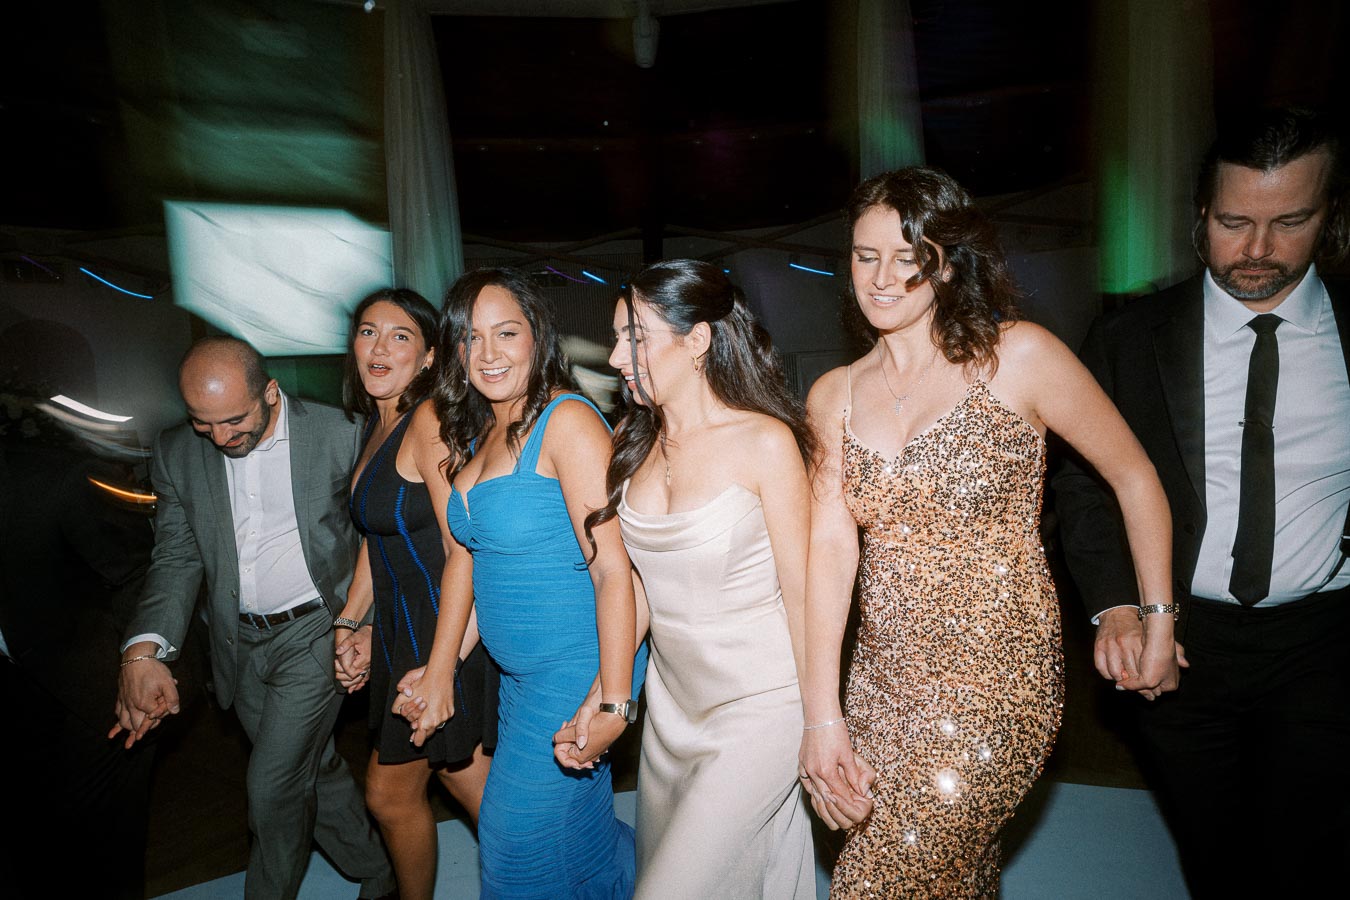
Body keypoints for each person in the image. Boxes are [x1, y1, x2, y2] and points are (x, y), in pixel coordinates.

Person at [797, 166, 1177, 897]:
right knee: (957, 879)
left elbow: (1135, 477)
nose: (881, 279)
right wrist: (822, 718)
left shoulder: (1021, 357)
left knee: (874, 881)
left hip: (1000, 683)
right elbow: (830, 553)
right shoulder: (833, 394)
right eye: (864, 255)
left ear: (947, 262)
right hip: (881, 686)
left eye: (908, 260)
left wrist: (1157, 617)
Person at [1053, 107, 1350, 898]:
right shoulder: (1129, 338)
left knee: (1308, 854)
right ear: (1199, 219)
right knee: (1217, 859)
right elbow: (1080, 484)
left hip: (1322, 644)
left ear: (1330, 216)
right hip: (1177, 638)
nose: (1257, 250)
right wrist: (1117, 607)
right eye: (1233, 222)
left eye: (1290, 221)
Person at [111, 336, 395, 900]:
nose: (219, 437)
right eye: (202, 422)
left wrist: (364, 620)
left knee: (272, 787)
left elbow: (380, 538)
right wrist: (144, 648)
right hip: (236, 640)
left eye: (234, 420)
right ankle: (379, 871)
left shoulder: (342, 432)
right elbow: (176, 557)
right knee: (315, 765)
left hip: (318, 629)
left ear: (270, 391)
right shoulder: (176, 452)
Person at [394, 268, 644, 898]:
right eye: (471, 339)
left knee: (513, 848)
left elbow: (615, 569)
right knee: (577, 844)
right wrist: (440, 668)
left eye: (506, 333)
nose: (488, 353)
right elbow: (481, 571)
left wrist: (613, 701)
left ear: (538, 336)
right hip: (521, 683)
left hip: (576, 672)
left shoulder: (567, 421)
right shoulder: (484, 434)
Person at [578, 259, 817, 898]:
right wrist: (605, 691)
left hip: (759, 709)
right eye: (616, 337)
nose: (613, 356)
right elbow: (647, 597)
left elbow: (803, 595)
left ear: (698, 341)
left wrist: (824, 723)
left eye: (634, 337)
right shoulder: (633, 441)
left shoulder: (764, 442)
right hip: (671, 713)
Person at [330, 288, 498, 900]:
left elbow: (465, 548)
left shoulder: (428, 420)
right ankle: (559, 872)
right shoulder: (376, 426)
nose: (379, 347)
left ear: (430, 356)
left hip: (445, 631)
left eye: (400, 336)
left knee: (391, 791)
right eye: (368, 331)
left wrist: (442, 665)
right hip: (404, 630)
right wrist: (349, 622)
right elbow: (380, 538)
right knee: (466, 782)